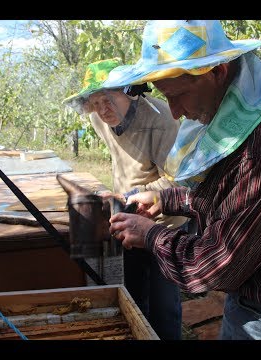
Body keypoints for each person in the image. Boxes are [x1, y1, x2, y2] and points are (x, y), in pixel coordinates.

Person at [105, 20, 261, 340]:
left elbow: (217, 264)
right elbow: (232, 194)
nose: (174, 113)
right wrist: (166, 200)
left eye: (178, 95)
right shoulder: (245, 97)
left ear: (215, 71)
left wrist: (150, 236)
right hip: (260, 285)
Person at [63, 58, 188, 340]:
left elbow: (178, 180)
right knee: (131, 292)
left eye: (108, 99)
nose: (102, 110)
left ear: (130, 91)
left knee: (163, 301)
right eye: (94, 103)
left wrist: (126, 195)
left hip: (164, 222)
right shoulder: (99, 118)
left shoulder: (163, 120)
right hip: (127, 215)